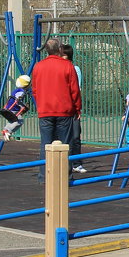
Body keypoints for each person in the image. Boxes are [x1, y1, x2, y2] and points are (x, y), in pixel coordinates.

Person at [30, 37, 82, 180]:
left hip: (45, 110)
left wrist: (40, 104)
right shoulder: (67, 66)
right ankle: (65, 175)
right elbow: (74, 90)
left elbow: (34, 90)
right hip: (64, 110)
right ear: (60, 49)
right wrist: (77, 108)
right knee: (66, 144)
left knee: (45, 144)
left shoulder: (38, 66)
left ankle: (44, 175)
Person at [62, 44, 87, 173]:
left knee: (76, 136)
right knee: (63, 137)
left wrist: (78, 108)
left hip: (72, 107)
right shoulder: (59, 68)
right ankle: (65, 162)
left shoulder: (74, 69)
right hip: (62, 108)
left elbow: (77, 89)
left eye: (63, 56)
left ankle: (77, 162)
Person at [0, 75, 30, 141]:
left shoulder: (16, 90)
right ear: (27, 85)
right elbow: (18, 99)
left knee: (12, 121)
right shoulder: (21, 91)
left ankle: (5, 130)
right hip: (13, 109)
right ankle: (8, 131)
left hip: (8, 108)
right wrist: (22, 106)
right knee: (19, 121)